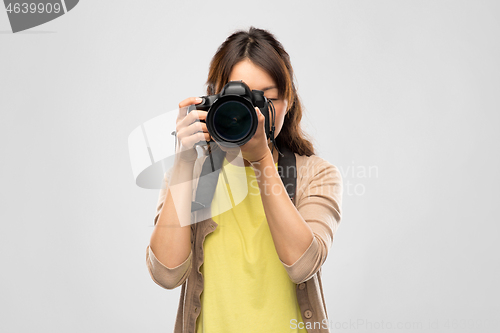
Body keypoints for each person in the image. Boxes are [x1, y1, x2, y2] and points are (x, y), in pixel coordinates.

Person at [146, 27, 343, 333]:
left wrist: (263, 159)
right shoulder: (189, 177)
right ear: (214, 101)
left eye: (266, 99)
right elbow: (166, 275)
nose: (254, 113)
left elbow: (302, 264)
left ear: (288, 102)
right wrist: (185, 161)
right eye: (240, 98)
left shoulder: (316, 174)